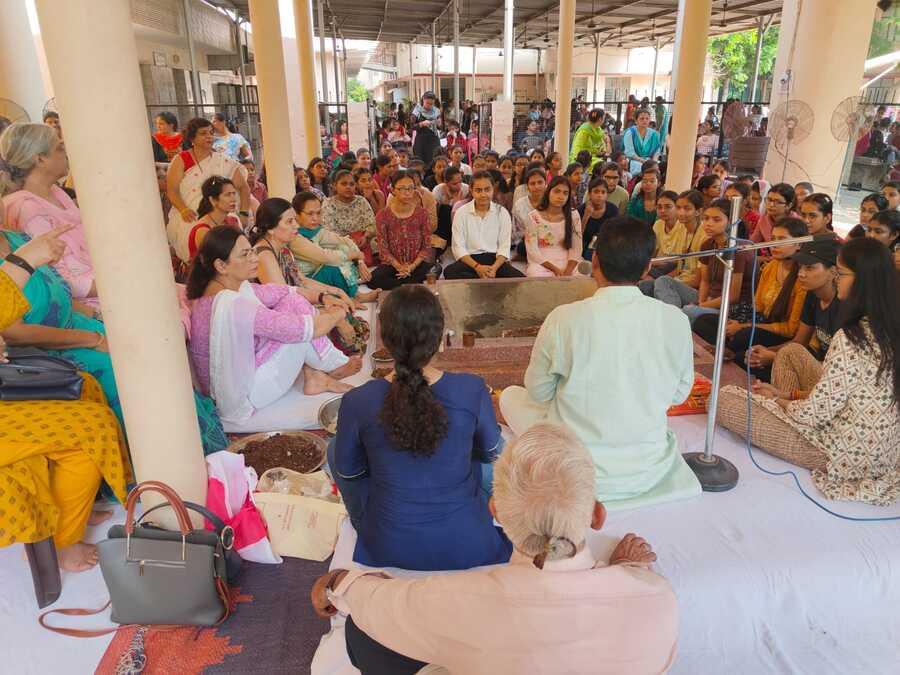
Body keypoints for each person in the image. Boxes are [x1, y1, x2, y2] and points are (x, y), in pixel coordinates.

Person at [313, 423, 677, 674]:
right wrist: (628, 572)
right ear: (597, 515)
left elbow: (378, 604)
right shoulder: (658, 598)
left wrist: (338, 581)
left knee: (363, 632)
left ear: (496, 512)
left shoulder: (460, 600)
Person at [500, 216, 700, 509]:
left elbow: (539, 392)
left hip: (573, 469)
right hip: (646, 467)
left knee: (511, 396)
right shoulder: (675, 320)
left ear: (594, 261)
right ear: (647, 268)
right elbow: (679, 394)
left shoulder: (564, 318)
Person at [328, 285, 511, 573]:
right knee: (494, 450)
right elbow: (491, 451)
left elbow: (350, 472)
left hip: (388, 544)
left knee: (335, 450)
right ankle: (493, 510)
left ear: (384, 339)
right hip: (468, 543)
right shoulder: (471, 388)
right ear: (440, 338)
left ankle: (362, 523)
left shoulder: (357, 400)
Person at [717, 238, 900, 506]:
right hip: (882, 448)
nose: (837, 279)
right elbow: (850, 393)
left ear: (862, 281)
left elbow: (816, 414)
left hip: (841, 454)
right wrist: (788, 396)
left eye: (841, 273)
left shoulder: (852, 337)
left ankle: (782, 424)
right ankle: (782, 420)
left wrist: (777, 400)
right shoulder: (889, 324)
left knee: (724, 399)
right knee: (791, 352)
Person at [0, 231, 131, 574]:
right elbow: (11, 328)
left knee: (85, 387)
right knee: (93, 427)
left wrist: (24, 259)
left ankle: (74, 510)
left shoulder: (12, 235)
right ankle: (61, 543)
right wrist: (24, 261)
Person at [187, 226, 361, 425]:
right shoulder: (230, 305)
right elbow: (303, 329)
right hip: (241, 397)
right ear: (221, 265)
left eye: (252, 251)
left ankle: (317, 374)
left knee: (293, 302)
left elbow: (283, 291)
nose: (254, 258)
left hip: (241, 375)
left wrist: (324, 297)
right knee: (298, 329)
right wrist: (338, 314)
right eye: (245, 254)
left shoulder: (223, 288)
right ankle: (333, 365)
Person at [1, 123, 102, 309]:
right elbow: (61, 280)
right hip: (85, 302)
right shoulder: (28, 209)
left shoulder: (55, 191)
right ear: (40, 159)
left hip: (100, 282)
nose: (66, 153)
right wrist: (116, 283)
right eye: (59, 148)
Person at [694, 217, 809, 382]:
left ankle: (728, 350)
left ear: (799, 244)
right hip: (759, 322)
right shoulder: (770, 267)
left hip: (778, 334)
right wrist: (738, 322)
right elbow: (757, 308)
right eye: (773, 238)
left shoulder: (802, 278)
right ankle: (728, 349)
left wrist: (744, 326)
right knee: (703, 320)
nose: (774, 244)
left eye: (782, 239)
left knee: (744, 335)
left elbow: (790, 330)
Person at [744, 238, 842, 390]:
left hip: (832, 376)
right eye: (800, 267)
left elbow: (838, 370)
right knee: (749, 358)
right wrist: (765, 352)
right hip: (810, 361)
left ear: (833, 272)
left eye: (809, 268)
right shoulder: (812, 295)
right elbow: (799, 341)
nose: (801, 274)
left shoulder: (844, 306)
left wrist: (774, 357)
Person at [165, 118, 250, 263]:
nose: (209, 136)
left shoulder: (223, 161)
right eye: (203, 133)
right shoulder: (182, 160)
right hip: (190, 215)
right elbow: (172, 190)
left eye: (211, 132)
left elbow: (243, 188)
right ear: (192, 138)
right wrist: (183, 209)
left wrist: (244, 213)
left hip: (222, 215)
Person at [290, 191, 378, 302]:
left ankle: (349, 293)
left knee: (342, 247)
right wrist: (352, 255)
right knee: (333, 267)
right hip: (306, 282)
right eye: (310, 214)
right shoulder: (294, 237)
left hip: (318, 274)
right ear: (296, 215)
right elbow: (324, 256)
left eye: (318, 213)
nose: (315, 218)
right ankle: (355, 296)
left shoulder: (316, 230)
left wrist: (360, 262)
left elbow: (344, 241)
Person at [682, 198, 756, 327]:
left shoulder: (739, 250)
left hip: (731, 308)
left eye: (716, 220)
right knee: (663, 282)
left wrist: (701, 306)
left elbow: (733, 296)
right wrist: (701, 302)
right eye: (706, 218)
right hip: (709, 299)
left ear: (731, 222)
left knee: (688, 311)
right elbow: (705, 281)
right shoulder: (707, 245)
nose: (708, 224)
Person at [445, 171, 524, 280]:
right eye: (478, 190)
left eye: (487, 189)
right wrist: (478, 267)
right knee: (450, 272)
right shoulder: (461, 213)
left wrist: (494, 268)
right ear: (471, 190)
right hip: (470, 261)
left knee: (520, 280)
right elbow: (458, 247)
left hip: (495, 260)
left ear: (493, 189)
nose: (483, 194)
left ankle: (481, 282)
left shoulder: (502, 212)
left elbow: (504, 247)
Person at [369, 171, 433, 290]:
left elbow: (426, 245)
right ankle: (411, 285)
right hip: (393, 265)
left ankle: (401, 286)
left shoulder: (422, 213)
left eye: (410, 188)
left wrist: (412, 267)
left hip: (416, 264)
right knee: (373, 278)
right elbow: (383, 249)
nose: (407, 192)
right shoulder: (382, 215)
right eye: (402, 188)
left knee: (435, 269)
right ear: (393, 190)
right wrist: (399, 267)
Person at [652, 190, 707, 307]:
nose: (681, 213)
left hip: (695, 289)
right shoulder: (682, 228)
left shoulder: (704, 235)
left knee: (662, 282)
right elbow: (679, 268)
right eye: (678, 208)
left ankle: (674, 315)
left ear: (698, 211)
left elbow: (698, 281)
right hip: (679, 280)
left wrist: (671, 283)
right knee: (645, 285)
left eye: (687, 209)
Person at [525, 175, 583, 278]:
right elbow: (532, 250)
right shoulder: (533, 217)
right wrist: (555, 270)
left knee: (582, 275)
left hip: (568, 261)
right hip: (542, 262)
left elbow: (576, 247)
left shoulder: (574, 215)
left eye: (565, 193)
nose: (561, 196)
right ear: (548, 192)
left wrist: (568, 271)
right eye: (557, 191)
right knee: (536, 275)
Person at [321, 169, 378, 264]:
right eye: (344, 184)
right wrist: (349, 241)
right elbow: (329, 230)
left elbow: (372, 224)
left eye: (352, 184)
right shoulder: (328, 203)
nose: (348, 187)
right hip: (340, 245)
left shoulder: (361, 201)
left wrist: (365, 236)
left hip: (363, 242)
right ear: (334, 186)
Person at [186, 175, 241, 261]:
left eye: (234, 193)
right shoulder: (203, 230)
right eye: (227, 195)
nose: (234, 199)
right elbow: (214, 263)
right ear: (213, 200)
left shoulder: (232, 221)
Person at [578, 176, 618, 260]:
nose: (600, 195)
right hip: (584, 244)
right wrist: (586, 216)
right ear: (589, 194)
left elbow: (615, 233)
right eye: (596, 192)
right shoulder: (581, 209)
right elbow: (577, 236)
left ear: (607, 195)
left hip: (605, 244)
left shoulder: (613, 210)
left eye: (603, 192)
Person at [512, 167, 546, 259]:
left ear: (545, 184)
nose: (536, 186)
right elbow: (516, 231)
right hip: (528, 240)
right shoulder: (520, 204)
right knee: (522, 247)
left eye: (540, 182)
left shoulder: (552, 203)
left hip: (549, 240)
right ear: (527, 187)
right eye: (532, 183)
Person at [623, 108, 661, 175]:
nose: (645, 121)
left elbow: (657, 151)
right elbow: (629, 152)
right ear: (636, 121)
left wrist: (654, 162)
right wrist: (644, 161)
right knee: (642, 168)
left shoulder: (654, 134)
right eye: (642, 118)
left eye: (647, 118)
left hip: (649, 160)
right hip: (634, 160)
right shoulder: (630, 132)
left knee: (662, 167)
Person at [410, 92, 442, 165]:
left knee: (434, 161)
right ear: (423, 100)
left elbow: (440, 127)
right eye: (427, 103)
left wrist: (439, 124)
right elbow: (411, 127)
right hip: (421, 140)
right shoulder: (417, 110)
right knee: (421, 162)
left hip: (433, 139)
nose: (429, 106)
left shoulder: (436, 110)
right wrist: (421, 124)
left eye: (431, 104)